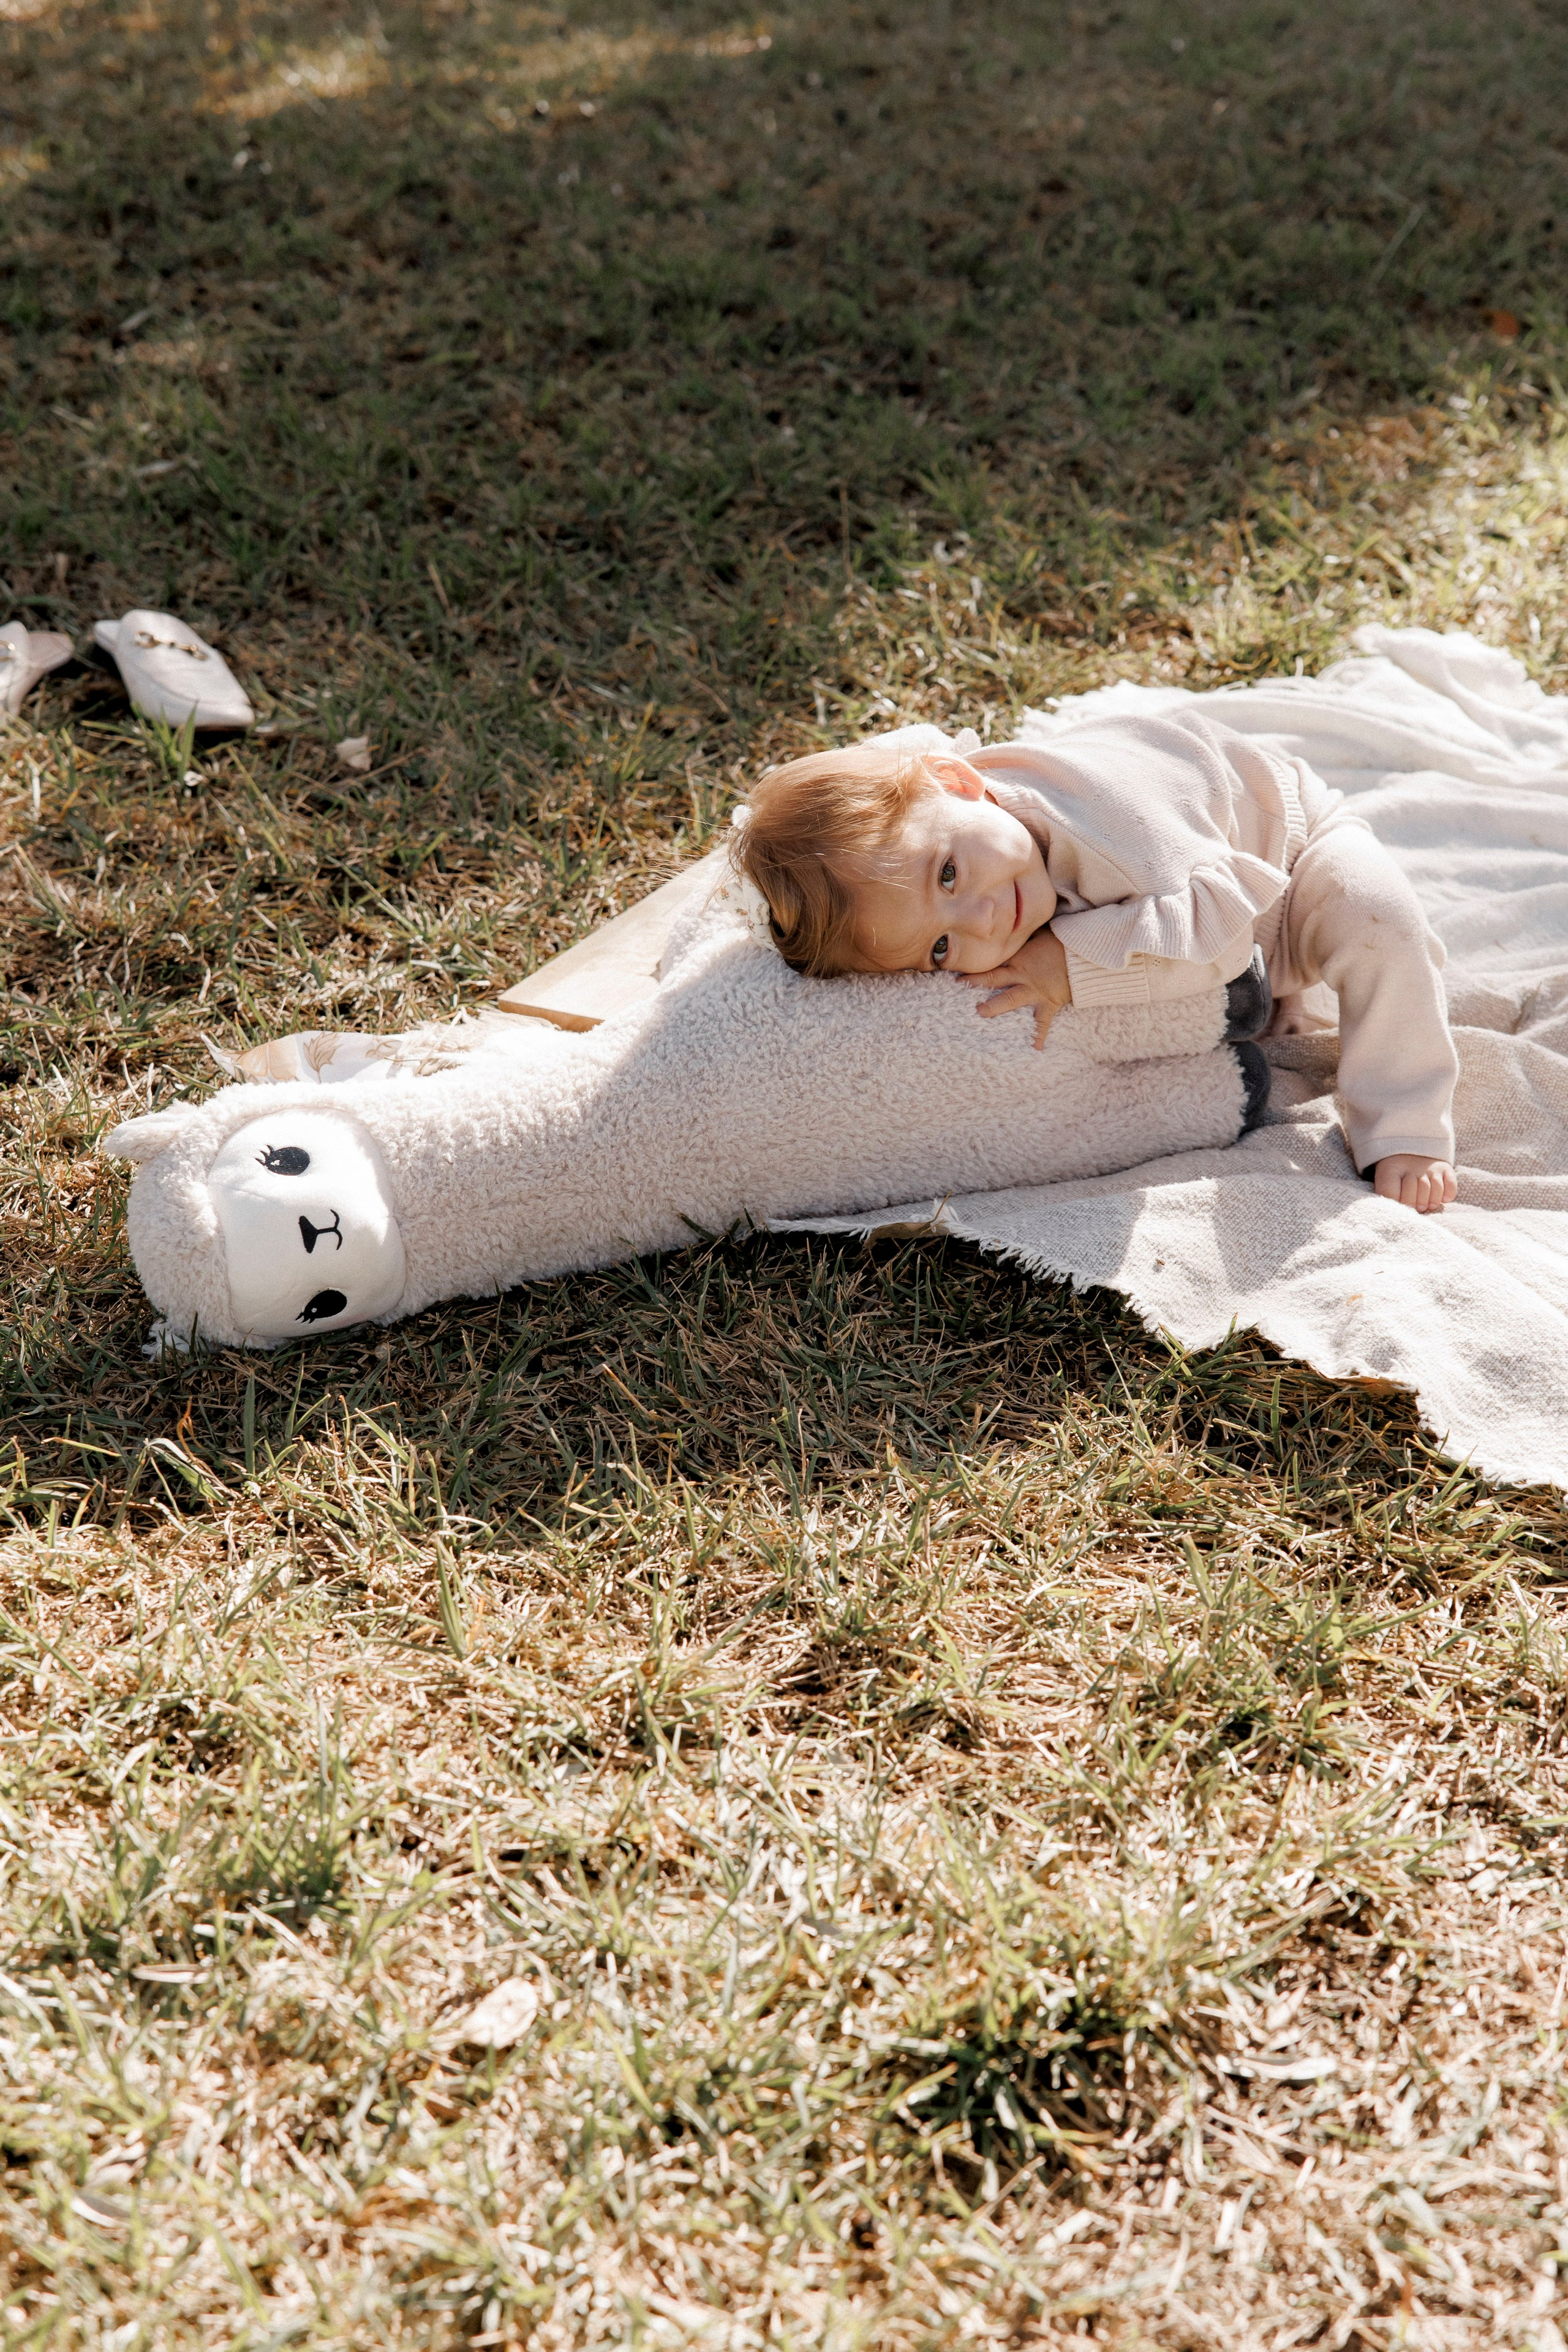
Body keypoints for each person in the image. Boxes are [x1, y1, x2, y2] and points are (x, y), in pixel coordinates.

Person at [733, 710, 1459, 1213]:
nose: (983, 918)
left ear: (959, 782)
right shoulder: (974, 842)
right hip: (1221, 912)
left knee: (1377, 917)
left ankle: (1403, 1116)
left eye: (948, 875)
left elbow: (1220, 936)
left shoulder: (1111, 826)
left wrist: (1066, 969)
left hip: (1286, 860)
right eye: (940, 947)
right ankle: (1268, 1009)